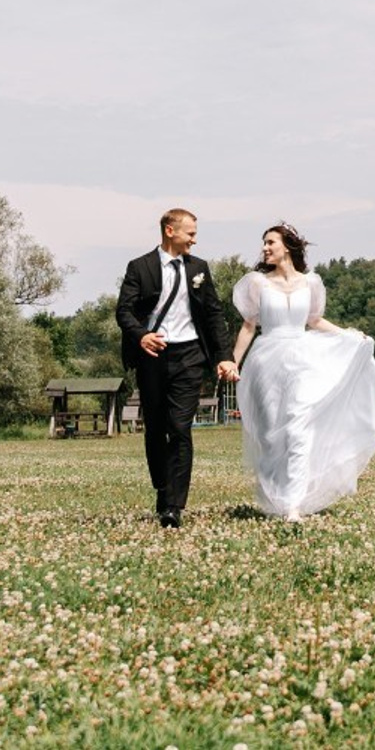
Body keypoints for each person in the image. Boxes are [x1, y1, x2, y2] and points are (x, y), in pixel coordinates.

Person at [231, 223, 375, 521]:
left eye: (270, 242)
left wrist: (349, 336)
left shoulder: (311, 283)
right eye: (264, 243)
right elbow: (249, 326)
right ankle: (274, 495)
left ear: (287, 246)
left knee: (297, 426)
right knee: (270, 434)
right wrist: (232, 362)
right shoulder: (256, 283)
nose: (265, 248)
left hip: (302, 358)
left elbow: (315, 321)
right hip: (266, 361)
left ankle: (292, 503)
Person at [115, 208, 238, 528]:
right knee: (156, 429)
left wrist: (225, 356)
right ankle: (162, 487)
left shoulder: (199, 268)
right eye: (190, 233)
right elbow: (124, 311)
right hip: (153, 355)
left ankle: (173, 505)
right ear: (170, 231)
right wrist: (141, 336)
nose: (194, 240)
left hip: (190, 357)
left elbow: (213, 315)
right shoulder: (139, 268)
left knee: (180, 427)